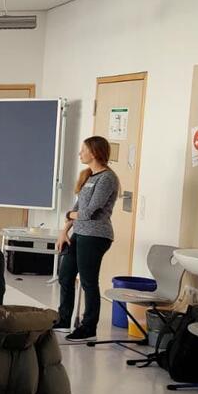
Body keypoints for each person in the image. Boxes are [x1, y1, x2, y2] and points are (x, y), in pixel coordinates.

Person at [56, 136, 121, 342]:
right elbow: (77, 209)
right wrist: (64, 230)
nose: (80, 153)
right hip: (80, 233)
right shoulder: (89, 176)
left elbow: (89, 212)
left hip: (96, 236)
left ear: (94, 152)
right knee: (65, 275)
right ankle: (64, 319)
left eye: (83, 150)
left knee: (88, 281)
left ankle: (88, 327)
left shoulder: (107, 178)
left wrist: (70, 215)